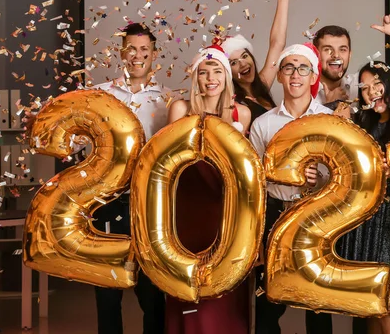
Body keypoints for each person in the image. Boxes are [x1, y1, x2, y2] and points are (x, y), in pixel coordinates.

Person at [88, 23, 170, 334]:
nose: (138, 56)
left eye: (144, 50)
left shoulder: (168, 100)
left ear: (154, 54)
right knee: (107, 289)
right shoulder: (101, 95)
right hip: (107, 201)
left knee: (152, 291)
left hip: (149, 203)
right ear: (122, 52)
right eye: (132, 49)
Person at [165, 45, 251, 334]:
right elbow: (169, 165)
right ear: (196, 78)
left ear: (227, 76)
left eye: (217, 72)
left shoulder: (243, 113)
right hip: (187, 211)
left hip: (225, 213)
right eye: (204, 72)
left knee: (224, 292)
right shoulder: (181, 108)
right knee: (189, 288)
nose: (210, 78)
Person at [249, 44, 332, 334]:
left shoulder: (330, 121)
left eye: (302, 68)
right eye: (288, 68)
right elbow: (255, 182)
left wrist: (318, 178)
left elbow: (345, 174)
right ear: (281, 77)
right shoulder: (263, 124)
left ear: (313, 77)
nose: (295, 74)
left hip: (318, 218)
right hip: (276, 213)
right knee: (268, 301)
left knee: (318, 302)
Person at [336, 61, 390, 334]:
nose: (371, 92)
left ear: (389, 84)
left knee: (388, 313)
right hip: (362, 222)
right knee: (369, 311)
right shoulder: (362, 123)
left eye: (377, 84)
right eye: (365, 88)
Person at [222, 0, 304, 126]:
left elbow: (277, 44)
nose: (243, 64)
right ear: (227, 72)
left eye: (244, 56)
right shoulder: (230, 103)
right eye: (233, 63)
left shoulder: (262, 85)